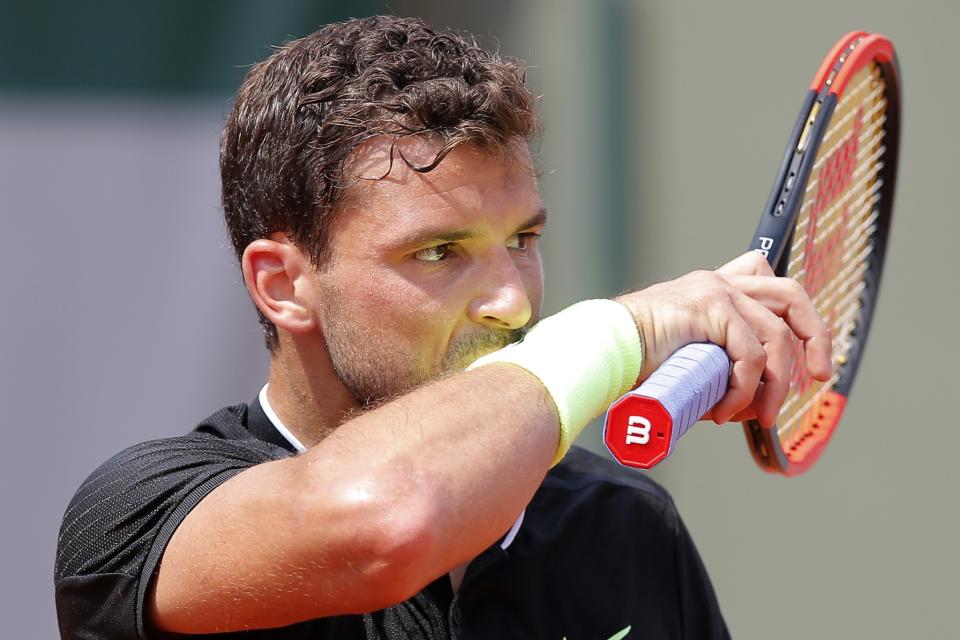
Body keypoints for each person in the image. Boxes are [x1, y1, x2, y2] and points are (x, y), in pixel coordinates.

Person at [54, 15, 831, 640]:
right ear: (283, 284)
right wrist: (621, 330)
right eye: (438, 251)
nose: (513, 303)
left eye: (523, 241)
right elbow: (390, 520)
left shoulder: (625, 525)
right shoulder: (137, 514)